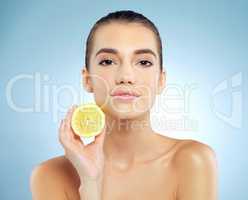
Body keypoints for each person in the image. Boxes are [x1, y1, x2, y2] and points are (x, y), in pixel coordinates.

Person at [30, 10, 218, 200]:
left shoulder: (193, 161)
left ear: (161, 80)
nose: (125, 77)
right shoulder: (50, 175)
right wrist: (90, 182)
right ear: (87, 80)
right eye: (108, 61)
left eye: (144, 62)